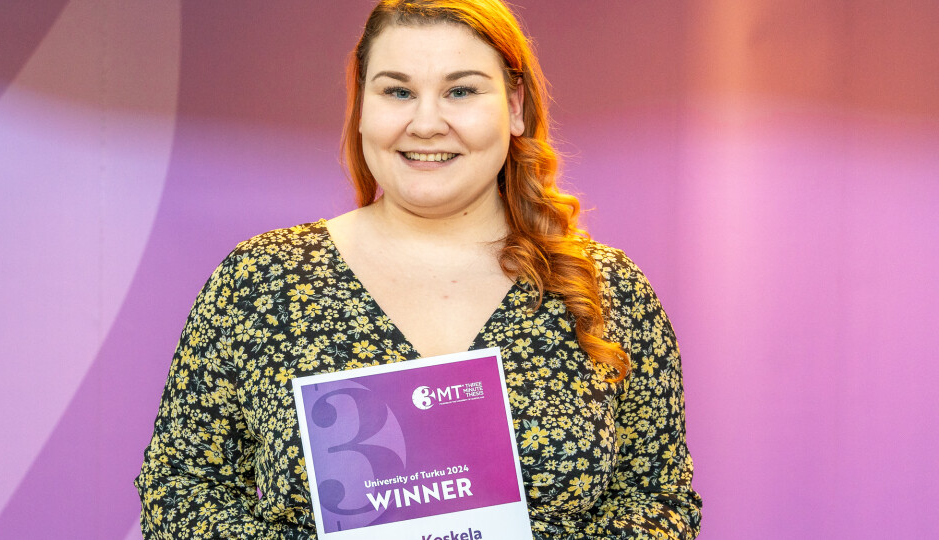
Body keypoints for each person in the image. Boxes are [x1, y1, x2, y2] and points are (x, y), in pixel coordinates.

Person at [135, 0, 702, 538]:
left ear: (515, 106)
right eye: (398, 91)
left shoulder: (604, 289)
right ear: (362, 109)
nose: (426, 123)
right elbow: (180, 488)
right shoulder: (263, 281)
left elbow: (658, 499)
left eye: (461, 90)